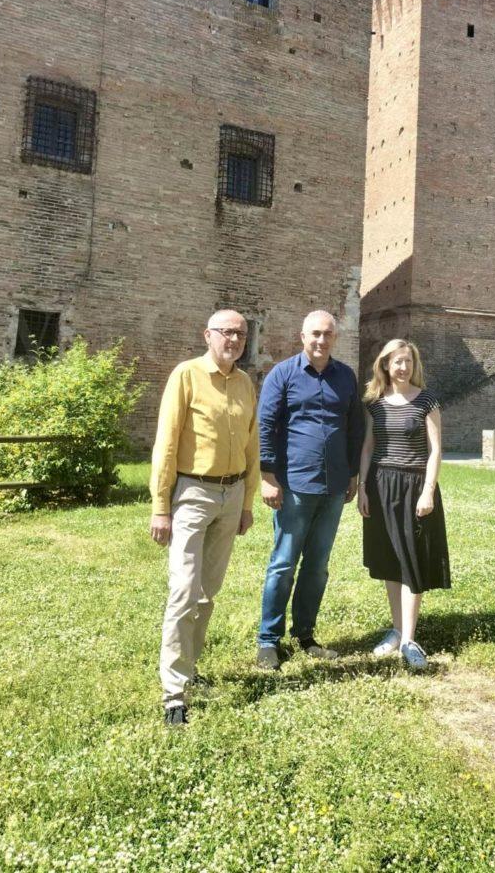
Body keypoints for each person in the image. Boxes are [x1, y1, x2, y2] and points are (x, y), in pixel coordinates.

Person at [150, 309, 259, 725]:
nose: (234, 339)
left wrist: (247, 502)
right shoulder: (187, 375)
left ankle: (190, 668)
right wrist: (161, 506)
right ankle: (173, 692)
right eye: (226, 332)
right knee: (182, 590)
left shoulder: (246, 382)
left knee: (206, 592)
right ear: (208, 335)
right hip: (192, 492)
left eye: (241, 334)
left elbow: (252, 445)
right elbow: (166, 441)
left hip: (231, 496)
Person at [256, 310, 365, 669]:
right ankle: (268, 640)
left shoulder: (346, 377)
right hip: (294, 486)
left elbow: (354, 429)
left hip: (334, 487)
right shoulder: (283, 374)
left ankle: (304, 634)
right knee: (283, 564)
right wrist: (267, 476)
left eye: (328, 334)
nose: (321, 340)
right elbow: (266, 425)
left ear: (336, 338)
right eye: (315, 334)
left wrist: (352, 475)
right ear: (302, 336)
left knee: (317, 566)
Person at [358, 338, 450, 669]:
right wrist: (363, 487)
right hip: (382, 486)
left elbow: (436, 450)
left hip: (414, 487)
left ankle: (410, 640)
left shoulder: (426, 400)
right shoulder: (375, 402)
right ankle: (396, 629)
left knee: (412, 560)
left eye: (408, 361)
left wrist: (428, 491)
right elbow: (368, 447)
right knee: (390, 560)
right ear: (385, 364)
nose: (403, 367)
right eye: (397, 361)